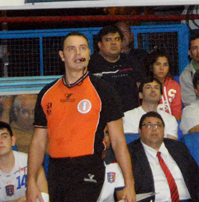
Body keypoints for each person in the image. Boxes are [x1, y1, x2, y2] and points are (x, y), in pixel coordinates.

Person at [27, 32, 135, 202]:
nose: (78, 53)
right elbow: (38, 142)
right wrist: (31, 182)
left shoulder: (104, 90)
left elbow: (118, 140)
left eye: (83, 48)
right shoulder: (47, 93)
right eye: (72, 49)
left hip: (88, 167)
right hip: (56, 170)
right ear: (62, 55)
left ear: (89, 54)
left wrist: (129, 183)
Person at [128, 111, 199, 202]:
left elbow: (198, 180)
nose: (154, 129)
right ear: (140, 130)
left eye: (158, 125)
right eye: (149, 125)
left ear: (163, 130)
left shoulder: (178, 148)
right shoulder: (130, 153)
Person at [87, 24, 142, 112]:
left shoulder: (131, 61)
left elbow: (140, 87)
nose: (113, 43)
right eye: (108, 40)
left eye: (117, 39)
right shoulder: (90, 64)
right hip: (102, 114)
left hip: (131, 113)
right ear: (100, 44)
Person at [0, 120, 47, 202]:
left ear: (13, 140)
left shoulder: (30, 162)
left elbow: (44, 196)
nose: (0, 141)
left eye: (4, 136)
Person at [147, 50, 182, 120]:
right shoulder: (146, 86)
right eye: (158, 64)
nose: (161, 68)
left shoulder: (175, 86)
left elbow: (177, 112)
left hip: (172, 123)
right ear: (151, 67)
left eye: (165, 65)